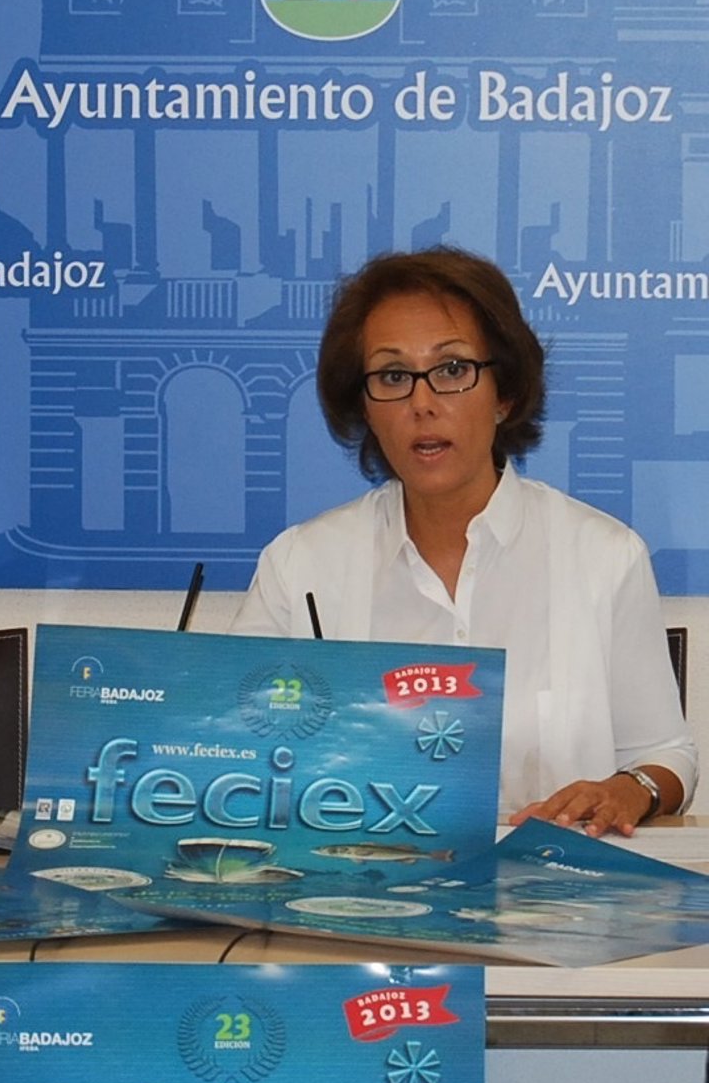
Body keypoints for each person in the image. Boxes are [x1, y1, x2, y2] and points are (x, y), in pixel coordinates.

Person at [232, 247, 697, 836]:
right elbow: (236, 753)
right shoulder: (301, 566)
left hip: (551, 886)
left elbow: (666, 755)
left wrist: (628, 791)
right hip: (360, 886)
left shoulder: (603, 556)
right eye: (393, 376)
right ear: (365, 407)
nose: (422, 404)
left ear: (504, 394)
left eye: (452, 370)